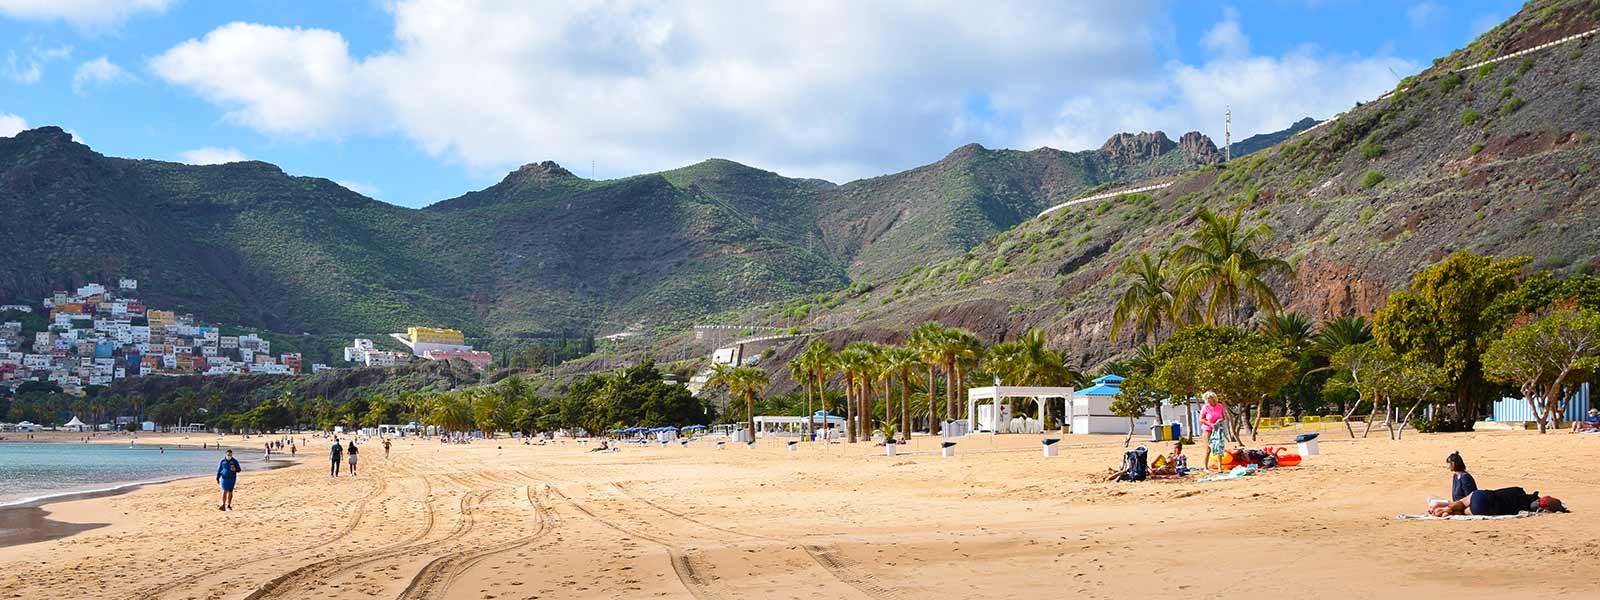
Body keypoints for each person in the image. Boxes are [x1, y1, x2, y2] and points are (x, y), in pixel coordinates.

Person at [1430, 487, 1567, 517]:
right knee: (1464, 512)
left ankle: (1446, 509)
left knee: (1461, 502)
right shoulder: (1522, 509)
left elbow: (1499, 491)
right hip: (1487, 510)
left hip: (1484, 496)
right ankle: (1448, 513)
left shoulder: (1518, 491)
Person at [1199, 391, 1226, 471]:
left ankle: (1220, 467)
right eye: (1206, 399)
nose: (1208, 401)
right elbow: (1201, 419)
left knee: (1219, 447)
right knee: (1208, 449)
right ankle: (1205, 467)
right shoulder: (1205, 407)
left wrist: (1220, 421)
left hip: (1217, 430)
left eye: (1209, 399)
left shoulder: (1220, 406)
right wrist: (1210, 424)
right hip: (1208, 429)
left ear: (1213, 398)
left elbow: (1223, 417)